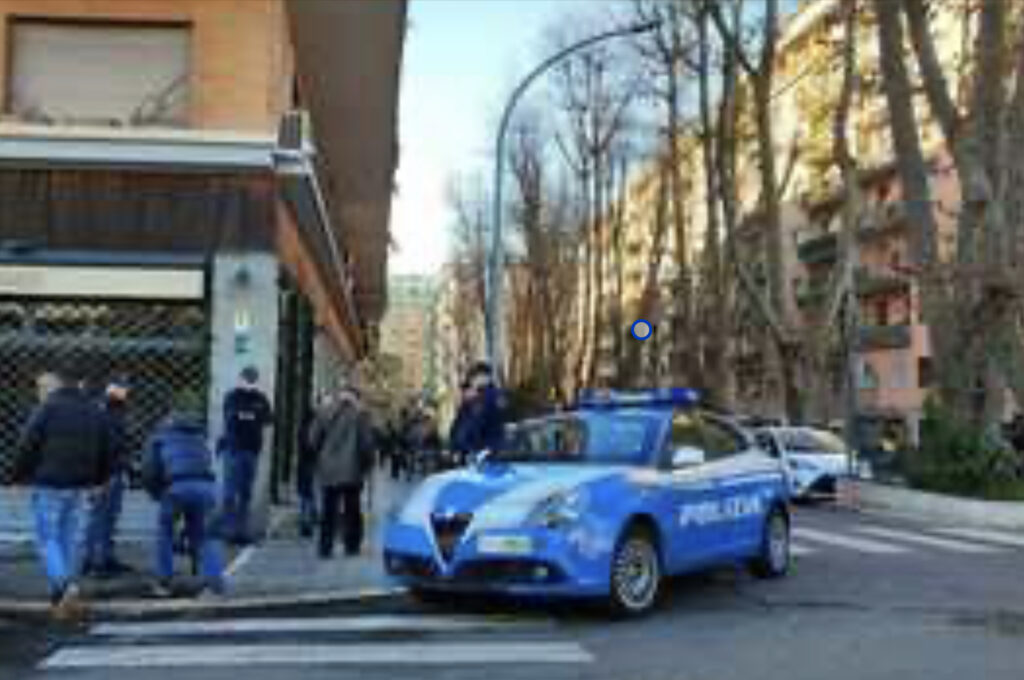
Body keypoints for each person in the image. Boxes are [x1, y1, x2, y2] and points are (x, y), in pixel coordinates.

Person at [14, 364, 112, 621]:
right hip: (81, 484)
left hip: (49, 482)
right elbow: (107, 447)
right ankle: (62, 598)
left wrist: (18, 474)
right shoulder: (95, 409)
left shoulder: (48, 408)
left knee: (47, 538)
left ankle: (65, 586)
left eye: (43, 386)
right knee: (70, 539)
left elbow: (27, 443)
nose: (40, 391)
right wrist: (100, 480)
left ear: (58, 383)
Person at [141, 404, 225, 598]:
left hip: (176, 486)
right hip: (206, 487)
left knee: (165, 532)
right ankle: (214, 584)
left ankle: (164, 581)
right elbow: (207, 462)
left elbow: (149, 469)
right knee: (205, 535)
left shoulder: (159, 437)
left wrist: (156, 493)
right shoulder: (199, 437)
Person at [310, 386, 374, 559]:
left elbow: (312, 439)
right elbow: (366, 444)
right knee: (352, 508)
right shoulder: (361, 414)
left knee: (328, 509)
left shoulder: (324, 411)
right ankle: (351, 545)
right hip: (353, 469)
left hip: (328, 469)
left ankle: (325, 547)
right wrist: (368, 464)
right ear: (355, 397)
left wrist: (321, 457)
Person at [83, 379, 134, 578]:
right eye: (124, 390)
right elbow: (109, 447)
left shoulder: (112, 412)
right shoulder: (106, 413)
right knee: (101, 518)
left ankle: (104, 558)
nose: (127, 393)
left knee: (108, 518)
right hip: (105, 474)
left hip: (109, 472)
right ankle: (95, 562)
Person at [220, 366, 273, 545]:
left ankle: (241, 531)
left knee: (245, 494)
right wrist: (250, 416)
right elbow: (231, 417)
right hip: (233, 451)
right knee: (229, 493)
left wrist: (246, 415)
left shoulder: (261, 398)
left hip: (251, 451)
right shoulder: (232, 397)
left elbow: (267, 420)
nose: (250, 383)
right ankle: (229, 531)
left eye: (253, 380)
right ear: (240, 379)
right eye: (247, 379)